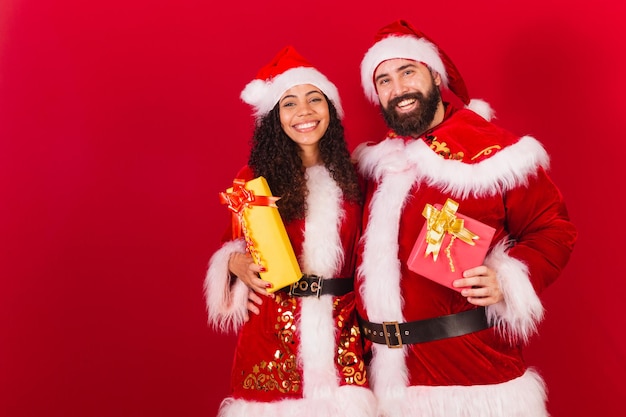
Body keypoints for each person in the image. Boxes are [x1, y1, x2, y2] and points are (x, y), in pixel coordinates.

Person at [352, 19, 577, 417]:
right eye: (383, 80)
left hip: (472, 377)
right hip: (382, 383)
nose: (397, 88)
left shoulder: (496, 152)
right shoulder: (373, 165)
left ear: (435, 76)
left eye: (407, 72)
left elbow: (553, 228)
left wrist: (509, 277)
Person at [204, 46, 376, 417]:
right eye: (289, 103)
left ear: (330, 108)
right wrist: (235, 264)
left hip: (342, 331)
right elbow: (231, 244)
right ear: (274, 118)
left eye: (315, 99)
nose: (305, 112)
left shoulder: (358, 174)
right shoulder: (253, 181)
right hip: (272, 334)